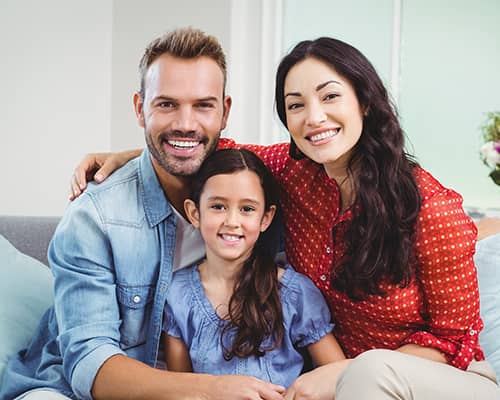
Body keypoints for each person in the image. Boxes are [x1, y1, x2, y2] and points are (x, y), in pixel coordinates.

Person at [72, 36, 500, 399]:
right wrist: (136, 156)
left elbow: (454, 342)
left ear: (365, 102)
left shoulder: (428, 205)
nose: (314, 117)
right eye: (296, 105)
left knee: (369, 373)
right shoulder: (296, 173)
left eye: (330, 96)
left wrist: (341, 373)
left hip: (434, 380)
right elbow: (213, 154)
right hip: (333, 379)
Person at [0, 27, 287, 400]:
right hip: (68, 390)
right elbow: (90, 363)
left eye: (203, 105)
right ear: (140, 108)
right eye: (166, 104)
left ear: (224, 111)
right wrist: (213, 390)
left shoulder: (256, 197)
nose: (186, 123)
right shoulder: (95, 217)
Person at [162, 148, 345, 386]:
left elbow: (338, 377)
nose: (232, 222)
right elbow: (181, 390)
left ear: (266, 218)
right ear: (194, 213)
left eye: (247, 209)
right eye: (218, 206)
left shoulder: (294, 293)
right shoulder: (177, 295)